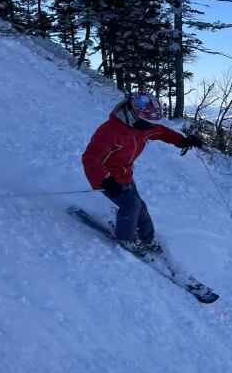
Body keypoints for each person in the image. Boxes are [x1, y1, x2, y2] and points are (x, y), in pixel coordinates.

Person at [82, 91, 204, 254]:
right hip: (106, 178)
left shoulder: (143, 127)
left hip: (125, 175)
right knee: (131, 205)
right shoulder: (109, 132)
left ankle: (148, 239)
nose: (150, 128)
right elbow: (90, 158)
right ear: (132, 116)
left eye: (151, 124)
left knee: (140, 206)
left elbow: (161, 131)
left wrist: (182, 140)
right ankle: (126, 241)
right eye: (147, 123)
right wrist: (105, 180)